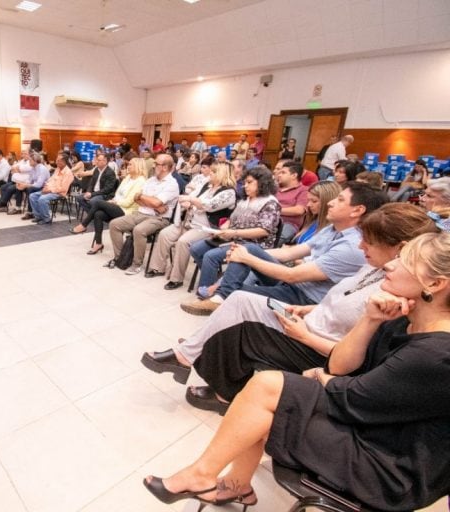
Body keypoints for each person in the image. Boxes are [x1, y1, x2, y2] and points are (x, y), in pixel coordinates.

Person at [143, 231, 450, 512]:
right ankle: (235, 484)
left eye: (405, 262)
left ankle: (203, 476)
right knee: (265, 394)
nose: (391, 266)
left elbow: (354, 397)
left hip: (389, 464)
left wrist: (319, 377)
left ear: (435, 284)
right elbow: (343, 366)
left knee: (269, 389)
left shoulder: (436, 354)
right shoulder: (402, 319)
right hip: (371, 424)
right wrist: (370, 320)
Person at [142, 203, 437, 407]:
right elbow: (337, 302)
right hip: (308, 319)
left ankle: (212, 379)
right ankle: (188, 354)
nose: (362, 248)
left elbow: (355, 352)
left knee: (238, 327)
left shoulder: (394, 292)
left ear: (399, 248)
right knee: (240, 299)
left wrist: (305, 333)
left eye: (369, 242)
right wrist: (308, 312)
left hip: (316, 344)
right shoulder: (375, 268)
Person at [182, 181, 387, 315]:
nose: (331, 203)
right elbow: (289, 252)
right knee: (245, 250)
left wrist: (248, 259)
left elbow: (293, 276)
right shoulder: (334, 229)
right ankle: (219, 296)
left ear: (358, 210)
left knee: (235, 289)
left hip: (303, 296)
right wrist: (244, 253)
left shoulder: (352, 246)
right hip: (294, 284)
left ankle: (219, 297)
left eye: (340, 199)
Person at [184, 165, 281, 304]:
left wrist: (233, 232)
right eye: (245, 182)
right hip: (234, 238)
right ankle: (218, 281)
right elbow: (232, 219)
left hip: (253, 245)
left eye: (249, 182)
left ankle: (208, 295)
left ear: (262, 183)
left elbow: (264, 230)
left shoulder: (270, 203)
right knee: (196, 248)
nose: (245, 186)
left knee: (210, 257)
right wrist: (223, 228)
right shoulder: (245, 200)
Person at [146, 161, 236, 290]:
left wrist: (192, 201)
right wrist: (191, 201)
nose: (210, 173)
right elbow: (188, 196)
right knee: (164, 234)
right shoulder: (207, 186)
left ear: (223, 174)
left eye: (214, 171)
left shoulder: (229, 193)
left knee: (183, 242)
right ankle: (157, 268)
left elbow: (209, 206)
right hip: (188, 222)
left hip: (207, 228)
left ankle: (176, 278)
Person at [106, 153, 179, 274]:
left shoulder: (172, 184)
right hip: (141, 213)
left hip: (159, 218)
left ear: (165, 167)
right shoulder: (150, 180)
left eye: (156, 164)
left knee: (139, 230)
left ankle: (136, 264)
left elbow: (156, 202)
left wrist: (146, 199)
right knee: (114, 224)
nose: (153, 166)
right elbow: (137, 198)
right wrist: (149, 200)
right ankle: (121, 258)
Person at [69, 157, 147, 255]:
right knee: (98, 214)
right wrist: (113, 200)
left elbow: (128, 202)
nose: (128, 166)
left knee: (97, 203)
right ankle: (98, 243)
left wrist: (114, 202)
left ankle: (84, 225)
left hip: (128, 211)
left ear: (138, 166)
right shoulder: (128, 178)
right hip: (117, 205)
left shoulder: (141, 181)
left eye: (131, 164)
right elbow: (117, 193)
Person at [289, 181, 340, 245]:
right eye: (308, 200)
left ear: (328, 201)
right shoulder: (314, 220)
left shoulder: (334, 229)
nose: (308, 205)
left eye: (314, 201)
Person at [27, 154, 73, 225]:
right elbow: (50, 180)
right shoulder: (57, 169)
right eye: (56, 160)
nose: (56, 162)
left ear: (64, 162)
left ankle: (46, 219)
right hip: (50, 190)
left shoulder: (68, 173)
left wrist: (50, 190)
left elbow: (63, 188)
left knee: (42, 199)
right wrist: (46, 187)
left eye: (58, 160)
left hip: (59, 193)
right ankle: (38, 216)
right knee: (32, 196)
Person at [274, 161, 309, 243]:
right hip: (269, 220)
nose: (279, 175)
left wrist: (273, 210)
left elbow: (299, 210)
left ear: (294, 175)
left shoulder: (304, 190)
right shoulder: (275, 188)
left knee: (278, 238)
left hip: (288, 224)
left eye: (283, 173)